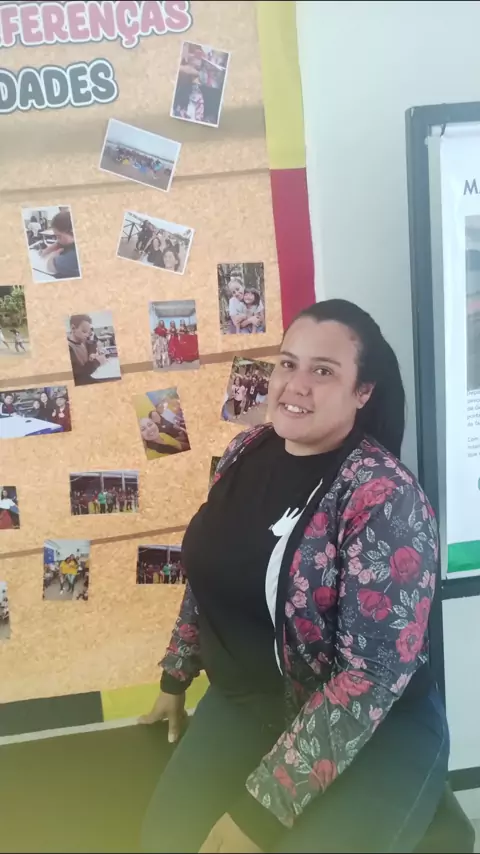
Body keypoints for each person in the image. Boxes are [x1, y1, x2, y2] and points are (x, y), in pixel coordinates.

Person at [140, 299, 451, 854]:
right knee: (164, 842)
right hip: (249, 703)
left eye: (323, 371)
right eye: (288, 363)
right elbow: (212, 571)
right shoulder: (244, 450)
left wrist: (261, 813)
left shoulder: (385, 498)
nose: (296, 385)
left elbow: (370, 678)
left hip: (376, 727)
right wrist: (175, 677)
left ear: (363, 391)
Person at [39, 210, 80, 279]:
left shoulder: (72, 256)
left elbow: (50, 267)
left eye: (58, 236)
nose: (58, 240)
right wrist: (46, 250)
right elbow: (59, 243)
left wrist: (53, 255)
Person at [67, 314, 107, 386]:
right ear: (73, 328)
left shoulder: (83, 341)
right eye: (84, 331)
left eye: (88, 332)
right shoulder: (69, 349)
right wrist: (97, 362)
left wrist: (92, 353)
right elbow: (79, 375)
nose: (87, 335)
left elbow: (92, 344)